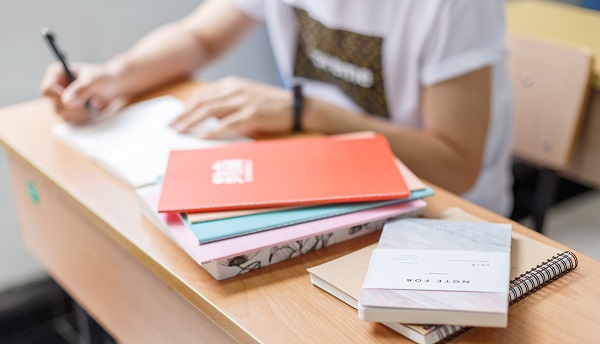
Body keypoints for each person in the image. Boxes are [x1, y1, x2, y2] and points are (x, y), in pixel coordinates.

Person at [40, 0, 513, 216]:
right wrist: (114, 76)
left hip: (436, 211)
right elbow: (199, 36)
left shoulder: (456, 6)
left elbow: (456, 165)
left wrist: (307, 112)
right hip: (325, 180)